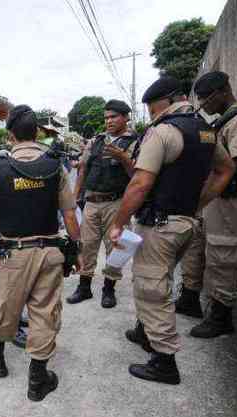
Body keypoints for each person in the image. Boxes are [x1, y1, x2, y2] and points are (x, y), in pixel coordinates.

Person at [109, 77, 235, 385]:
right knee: (154, 276)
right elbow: (226, 169)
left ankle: (163, 362)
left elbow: (140, 183)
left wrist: (118, 223)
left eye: (152, 109)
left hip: (160, 225)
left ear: (163, 103)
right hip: (186, 224)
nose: (152, 115)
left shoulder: (164, 130)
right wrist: (197, 204)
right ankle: (144, 331)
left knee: (152, 288)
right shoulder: (205, 130)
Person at [0, 104, 82, 401]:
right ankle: (38, 380)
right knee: (44, 312)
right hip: (50, 251)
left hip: (13, 253)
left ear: (10, 134)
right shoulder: (55, 165)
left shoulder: (0, 167)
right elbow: (71, 215)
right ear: (37, 131)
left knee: (4, 305)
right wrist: (78, 250)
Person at [177, 71, 237, 338]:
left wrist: (215, 168)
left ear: (223, 91)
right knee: (195, 246)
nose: (203, 105)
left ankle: (222, 314)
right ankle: (190, 297)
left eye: (205, 99)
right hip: (210, 196)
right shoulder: (220, 122)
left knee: (222, 254)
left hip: (226, 198)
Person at [68, 100, 138, 308]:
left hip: (116, 203)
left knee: (115, 247)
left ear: (126, 117)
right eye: (106, 117)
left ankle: (109, 289)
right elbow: (82, 168)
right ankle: (84, 287)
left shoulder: (134, 142)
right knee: (87, 245)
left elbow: (137, 175)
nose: (109, 121)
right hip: (91, 202)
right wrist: (75, 195)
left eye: (114, 117)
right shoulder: (96, 141)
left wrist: (123, 157)